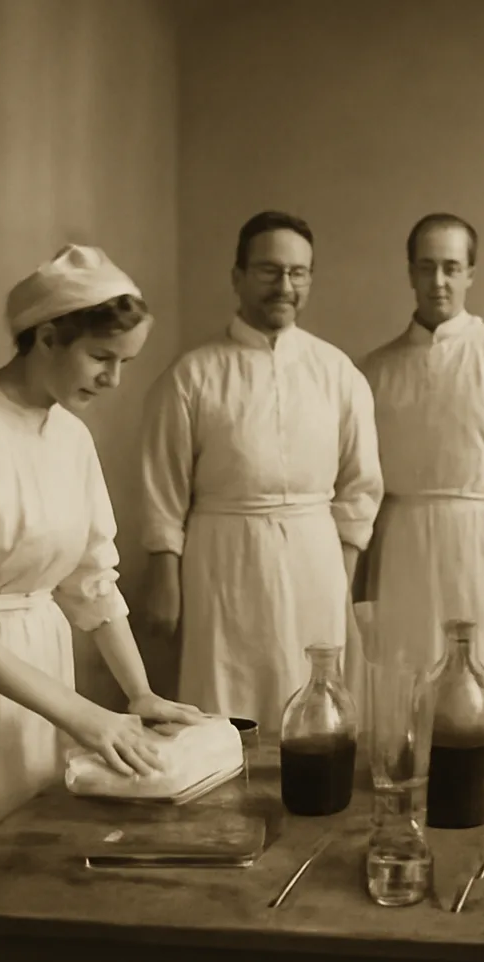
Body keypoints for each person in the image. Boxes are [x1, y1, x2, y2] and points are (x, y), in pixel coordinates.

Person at [0, 243, 205, 901]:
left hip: (44, 673)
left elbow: (91, 578)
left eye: (125, 362)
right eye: (102, 358)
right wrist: (81, 716)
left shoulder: (71, 438)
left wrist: (138, 693)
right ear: (46, 336)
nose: (114, 379)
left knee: (30, 870)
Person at [141, 211, 383, 729]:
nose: (285, 286)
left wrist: (340, 573)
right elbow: (162, 488)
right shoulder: (193, 374)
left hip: (316, 557)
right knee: (227, 693)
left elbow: (361, 485)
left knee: (314, 703)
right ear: (238, 277)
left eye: (299, 273)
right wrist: (165, 579)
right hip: (223, 557)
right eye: (270, 271)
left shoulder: (337, 372)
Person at [359, 213, 484, 736]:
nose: (439, 282)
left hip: (481, 546)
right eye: (427, 268)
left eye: (451, 267)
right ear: (410, 273)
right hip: (398, 543)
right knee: (403, 675)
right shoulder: (375, 370)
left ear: (471, 273)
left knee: (480, 677)